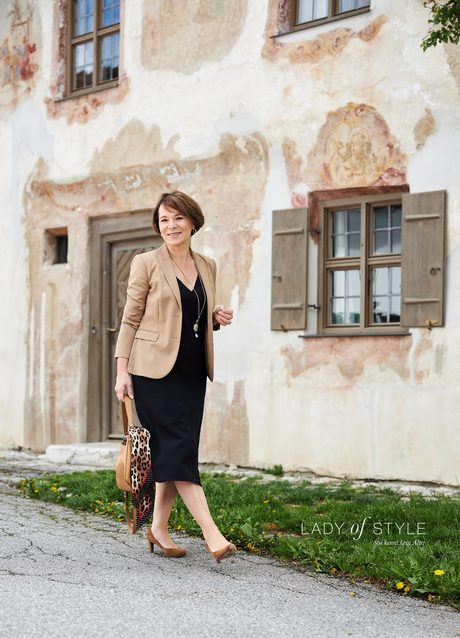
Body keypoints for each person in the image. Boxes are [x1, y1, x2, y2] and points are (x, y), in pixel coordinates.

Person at [114, 191, 236, 563]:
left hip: (191, 371)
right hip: (151, 371)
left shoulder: (207, 265)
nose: (170, 226)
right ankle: (212, 534)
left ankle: (158, 529)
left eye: (177, 218)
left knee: (175, 450)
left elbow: (193, 315)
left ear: (193, 222)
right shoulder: (146, 263)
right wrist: (121, 371)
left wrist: (216, 318)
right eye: (164, 220)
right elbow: (131, 319)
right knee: (179, 450)